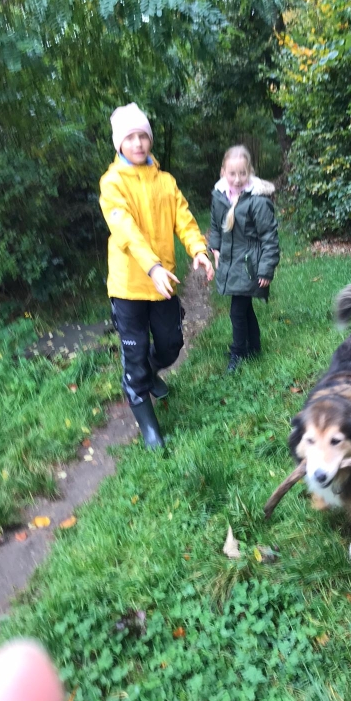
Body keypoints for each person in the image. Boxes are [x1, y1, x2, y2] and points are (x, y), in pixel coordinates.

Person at [99, 103, 214, 449]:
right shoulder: (112, 183)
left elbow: (184, 218)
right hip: (129, 286)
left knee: (171, 344)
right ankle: (147, 421)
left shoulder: (166, 181)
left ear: (150, 140)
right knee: (134, 356)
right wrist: (152, 266)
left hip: (163, 283)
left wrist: (198, 249)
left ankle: (149, 372)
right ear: (119, 143)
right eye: (130, 137)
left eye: (143, 136)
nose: (138, 143)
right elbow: (125, 229)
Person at [209, 145, 280, 373]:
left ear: (250, 171)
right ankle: (254, 347)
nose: (238, 179)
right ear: (223, 172)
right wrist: (215, 249)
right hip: (231, 261)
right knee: (245, 307)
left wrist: (266, 269)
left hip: (250, 265)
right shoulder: (220, 197)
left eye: (243, 173)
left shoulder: (258, 201)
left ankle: (238, 352)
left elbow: (269, 237)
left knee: (237, 311)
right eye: (232, 173)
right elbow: (216, 226)